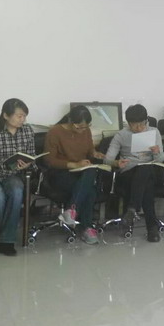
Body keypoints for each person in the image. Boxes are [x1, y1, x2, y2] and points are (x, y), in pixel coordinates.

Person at [44, 105, 108, 245]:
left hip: (81, 173)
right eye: (79, 127)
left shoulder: (85, 131)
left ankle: (71, 211)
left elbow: (90, 150)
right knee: (90, 190)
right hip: (60, 173)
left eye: (86, 127)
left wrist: (95, 154)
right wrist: (74, 164)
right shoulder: (55, 132)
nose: (83, 130)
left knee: (91, 170)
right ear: (70, 120)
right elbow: (49, 160)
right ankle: (87, 228)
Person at [104, 104, 164, 242]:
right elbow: (107, 159)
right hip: (128, 173)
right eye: (134, 125)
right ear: (128, 123)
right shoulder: (121, 135)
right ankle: (152, 228)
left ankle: (132, 209)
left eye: (142, 124)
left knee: (146, 169)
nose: (138, 128)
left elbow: (161, 159)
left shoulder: (154, 132)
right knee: (147, 184)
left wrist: (157, 152)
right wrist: (116, 163)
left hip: (150, 169)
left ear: (146, 121)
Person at [0, 98, 35, 256]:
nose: (23, 120)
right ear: (6, 115)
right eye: (19, 116)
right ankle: (9, 230)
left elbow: (31, 155)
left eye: (24, 116)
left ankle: (7, 241)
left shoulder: (27, 130)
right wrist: (4, 163)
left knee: (16, 191)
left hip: (14, 174)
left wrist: (28, 164)